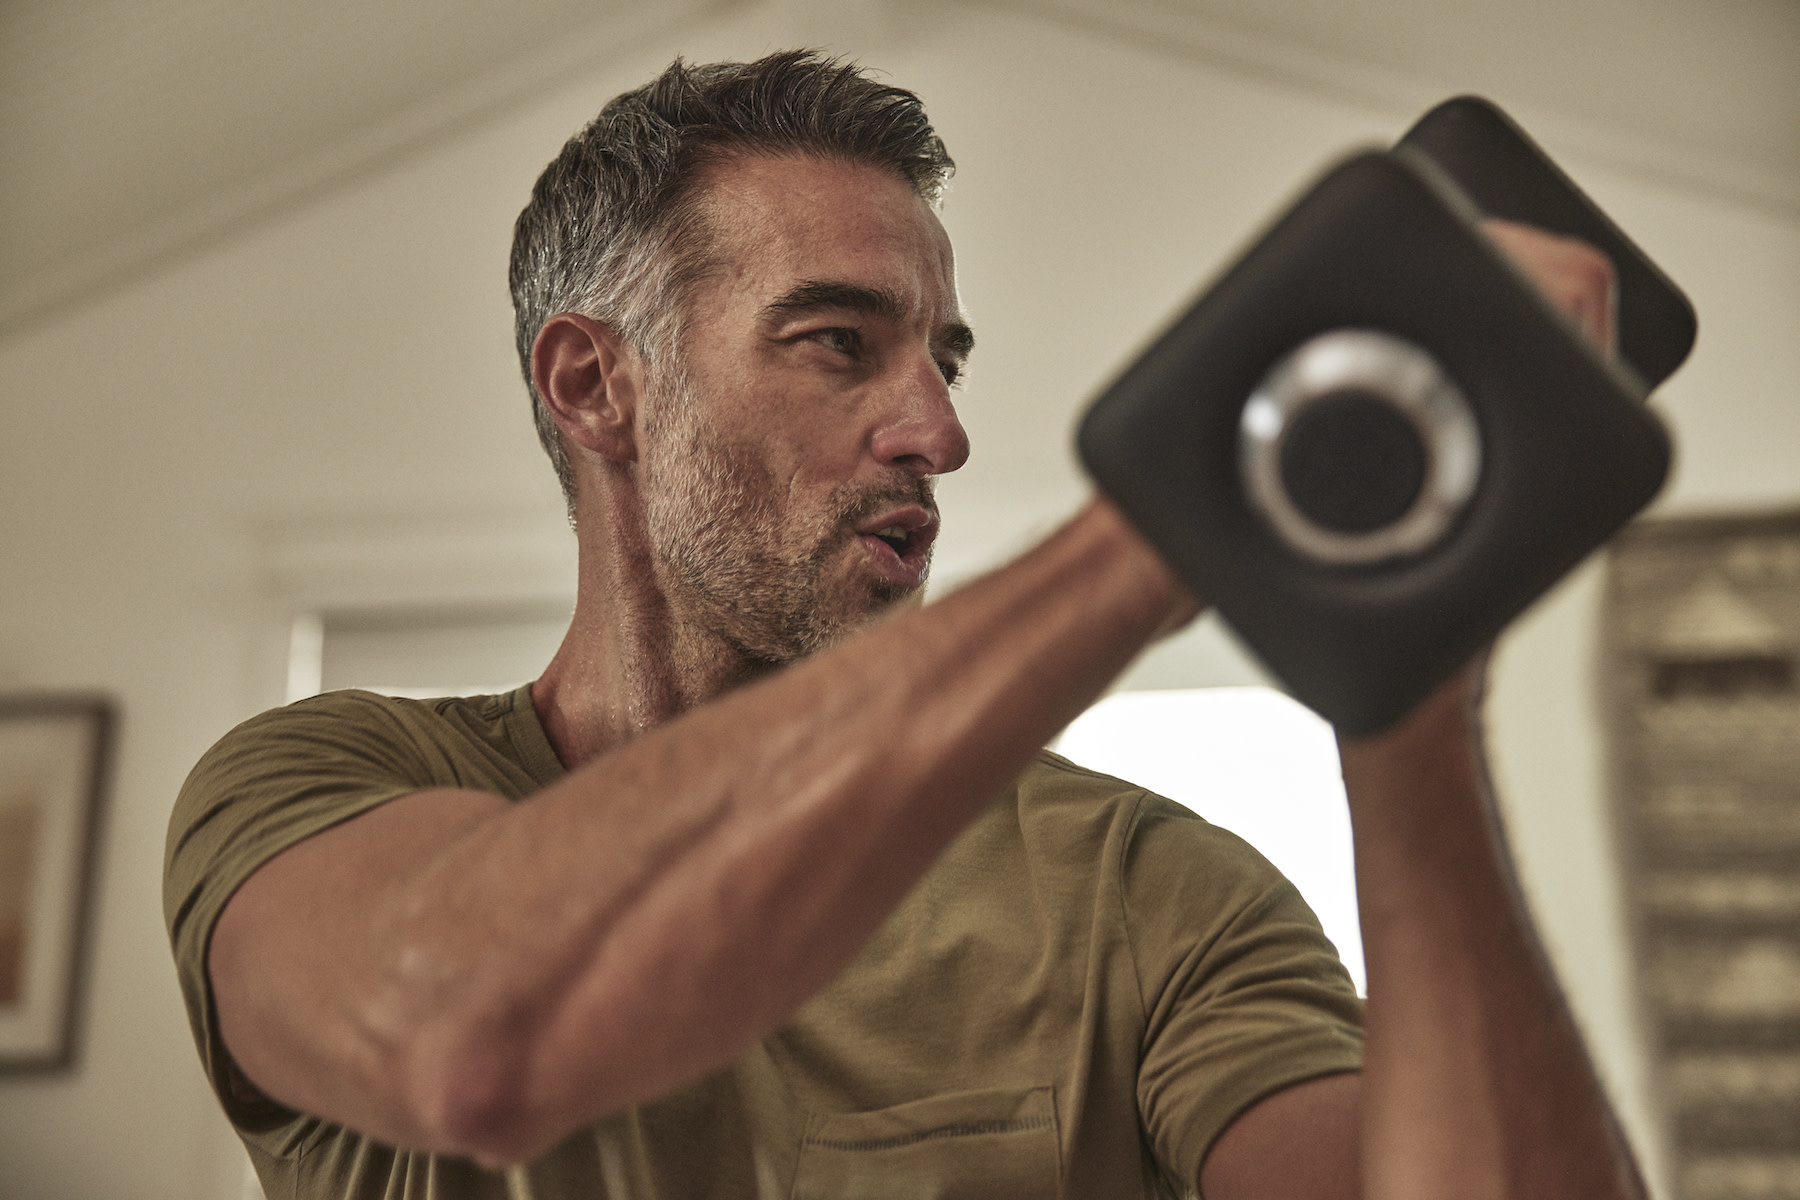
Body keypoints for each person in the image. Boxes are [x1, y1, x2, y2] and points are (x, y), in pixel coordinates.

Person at [165, 51, 1644, 1200]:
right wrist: (1190, 500)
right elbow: (472, 1040)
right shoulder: (320, 785)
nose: (936, 430)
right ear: (594, 385)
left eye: (944, 357)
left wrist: (1406, 660)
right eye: (838, 344)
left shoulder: (1149, 892)